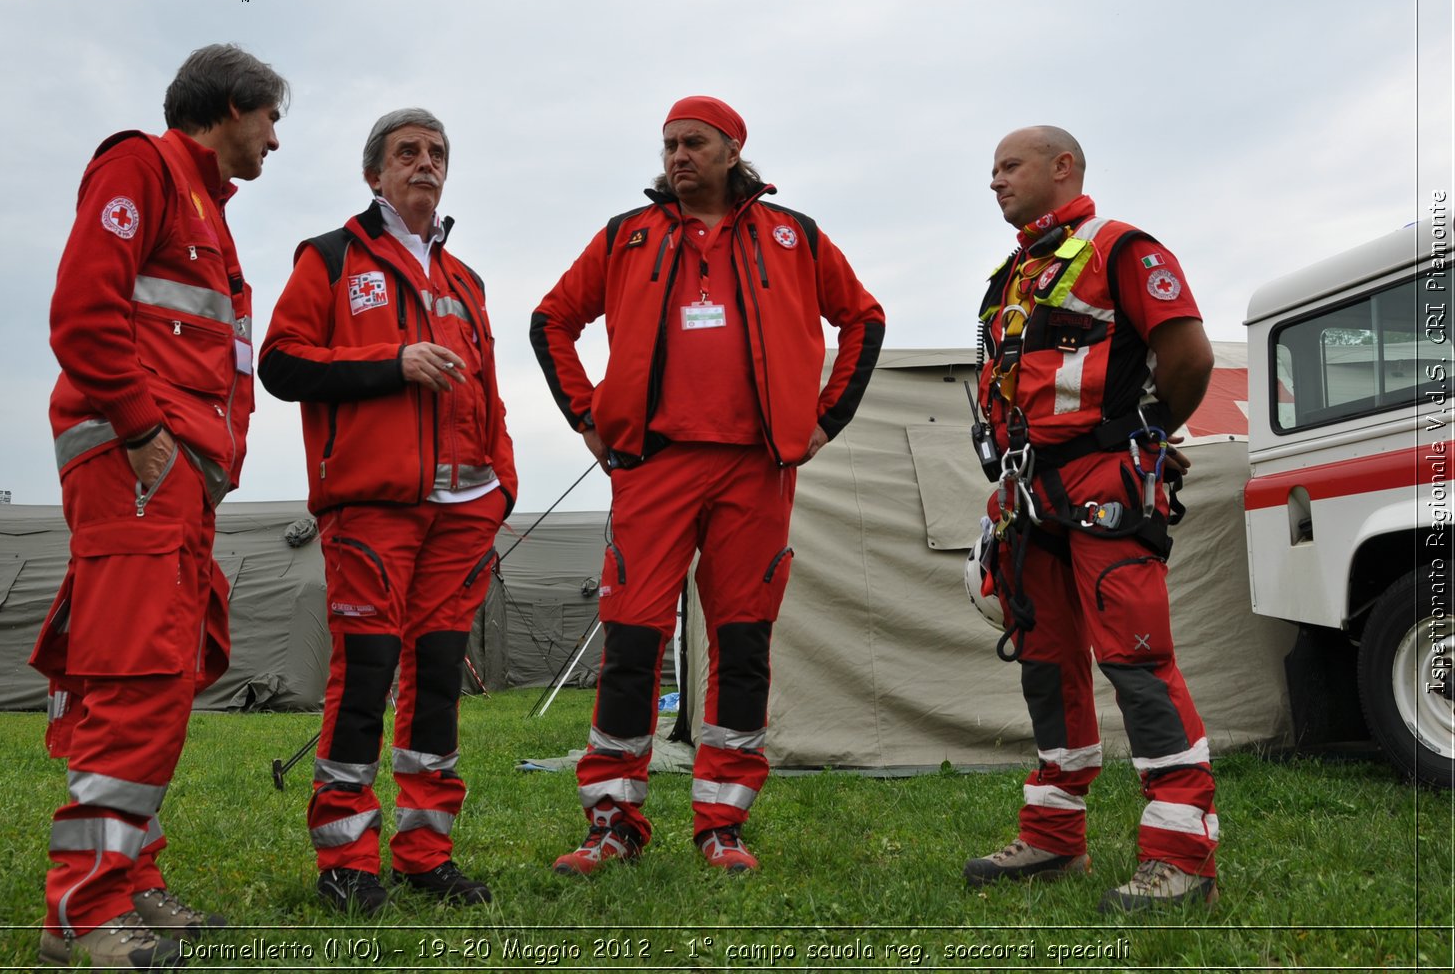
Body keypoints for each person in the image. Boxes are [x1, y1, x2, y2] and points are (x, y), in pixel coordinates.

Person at [531, 96, 885, 875]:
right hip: (653, 465)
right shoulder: (627, 235)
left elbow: (863, 319)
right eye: (668, 145)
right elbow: (551, 319)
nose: (677, 156)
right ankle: (612, 820)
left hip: (756, 467)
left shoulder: (792, 235)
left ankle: (723, 822)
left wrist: (824, 421)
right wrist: (588, 417)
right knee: (631, 638)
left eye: (694, 143)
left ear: (733, 151)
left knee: (743, 641)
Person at [30, 43, 286, 969]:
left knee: (165, 676)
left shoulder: (209, 217)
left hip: (178, 478)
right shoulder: (139, 166)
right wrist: (143, 431)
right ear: (229, 105)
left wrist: (214, 463)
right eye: (271, 120)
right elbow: (82, 312)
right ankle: (82, 913)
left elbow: (223, 367)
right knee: (138, 676)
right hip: (135, 464)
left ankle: (130, 880)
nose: (274, 141)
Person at [259, 108, 516, 911]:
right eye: (408, 152)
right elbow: (280, 363)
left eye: (438, 152)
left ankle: (425, 853)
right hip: (373, 507)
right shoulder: (330, 257)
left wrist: (502, 480)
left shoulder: (466, 280)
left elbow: (489, 392)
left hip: (464, 510)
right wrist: (391, 360)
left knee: (437, 679)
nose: (426, 163)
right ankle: (347, 860)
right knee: (366, 676)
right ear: (374, 173)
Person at [964, 125, 1219, 912]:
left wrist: (1141, 435)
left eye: (1010, 166)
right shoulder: (1011, 275)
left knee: (1136, 662)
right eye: (993, 170)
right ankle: (1053, 838)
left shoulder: (1123, 249)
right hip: (1026, 497)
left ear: (1061, 166)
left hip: (1106, 482)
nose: (996, 181)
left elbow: (1190, 357)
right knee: (1048, 667)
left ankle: (1181, 856)